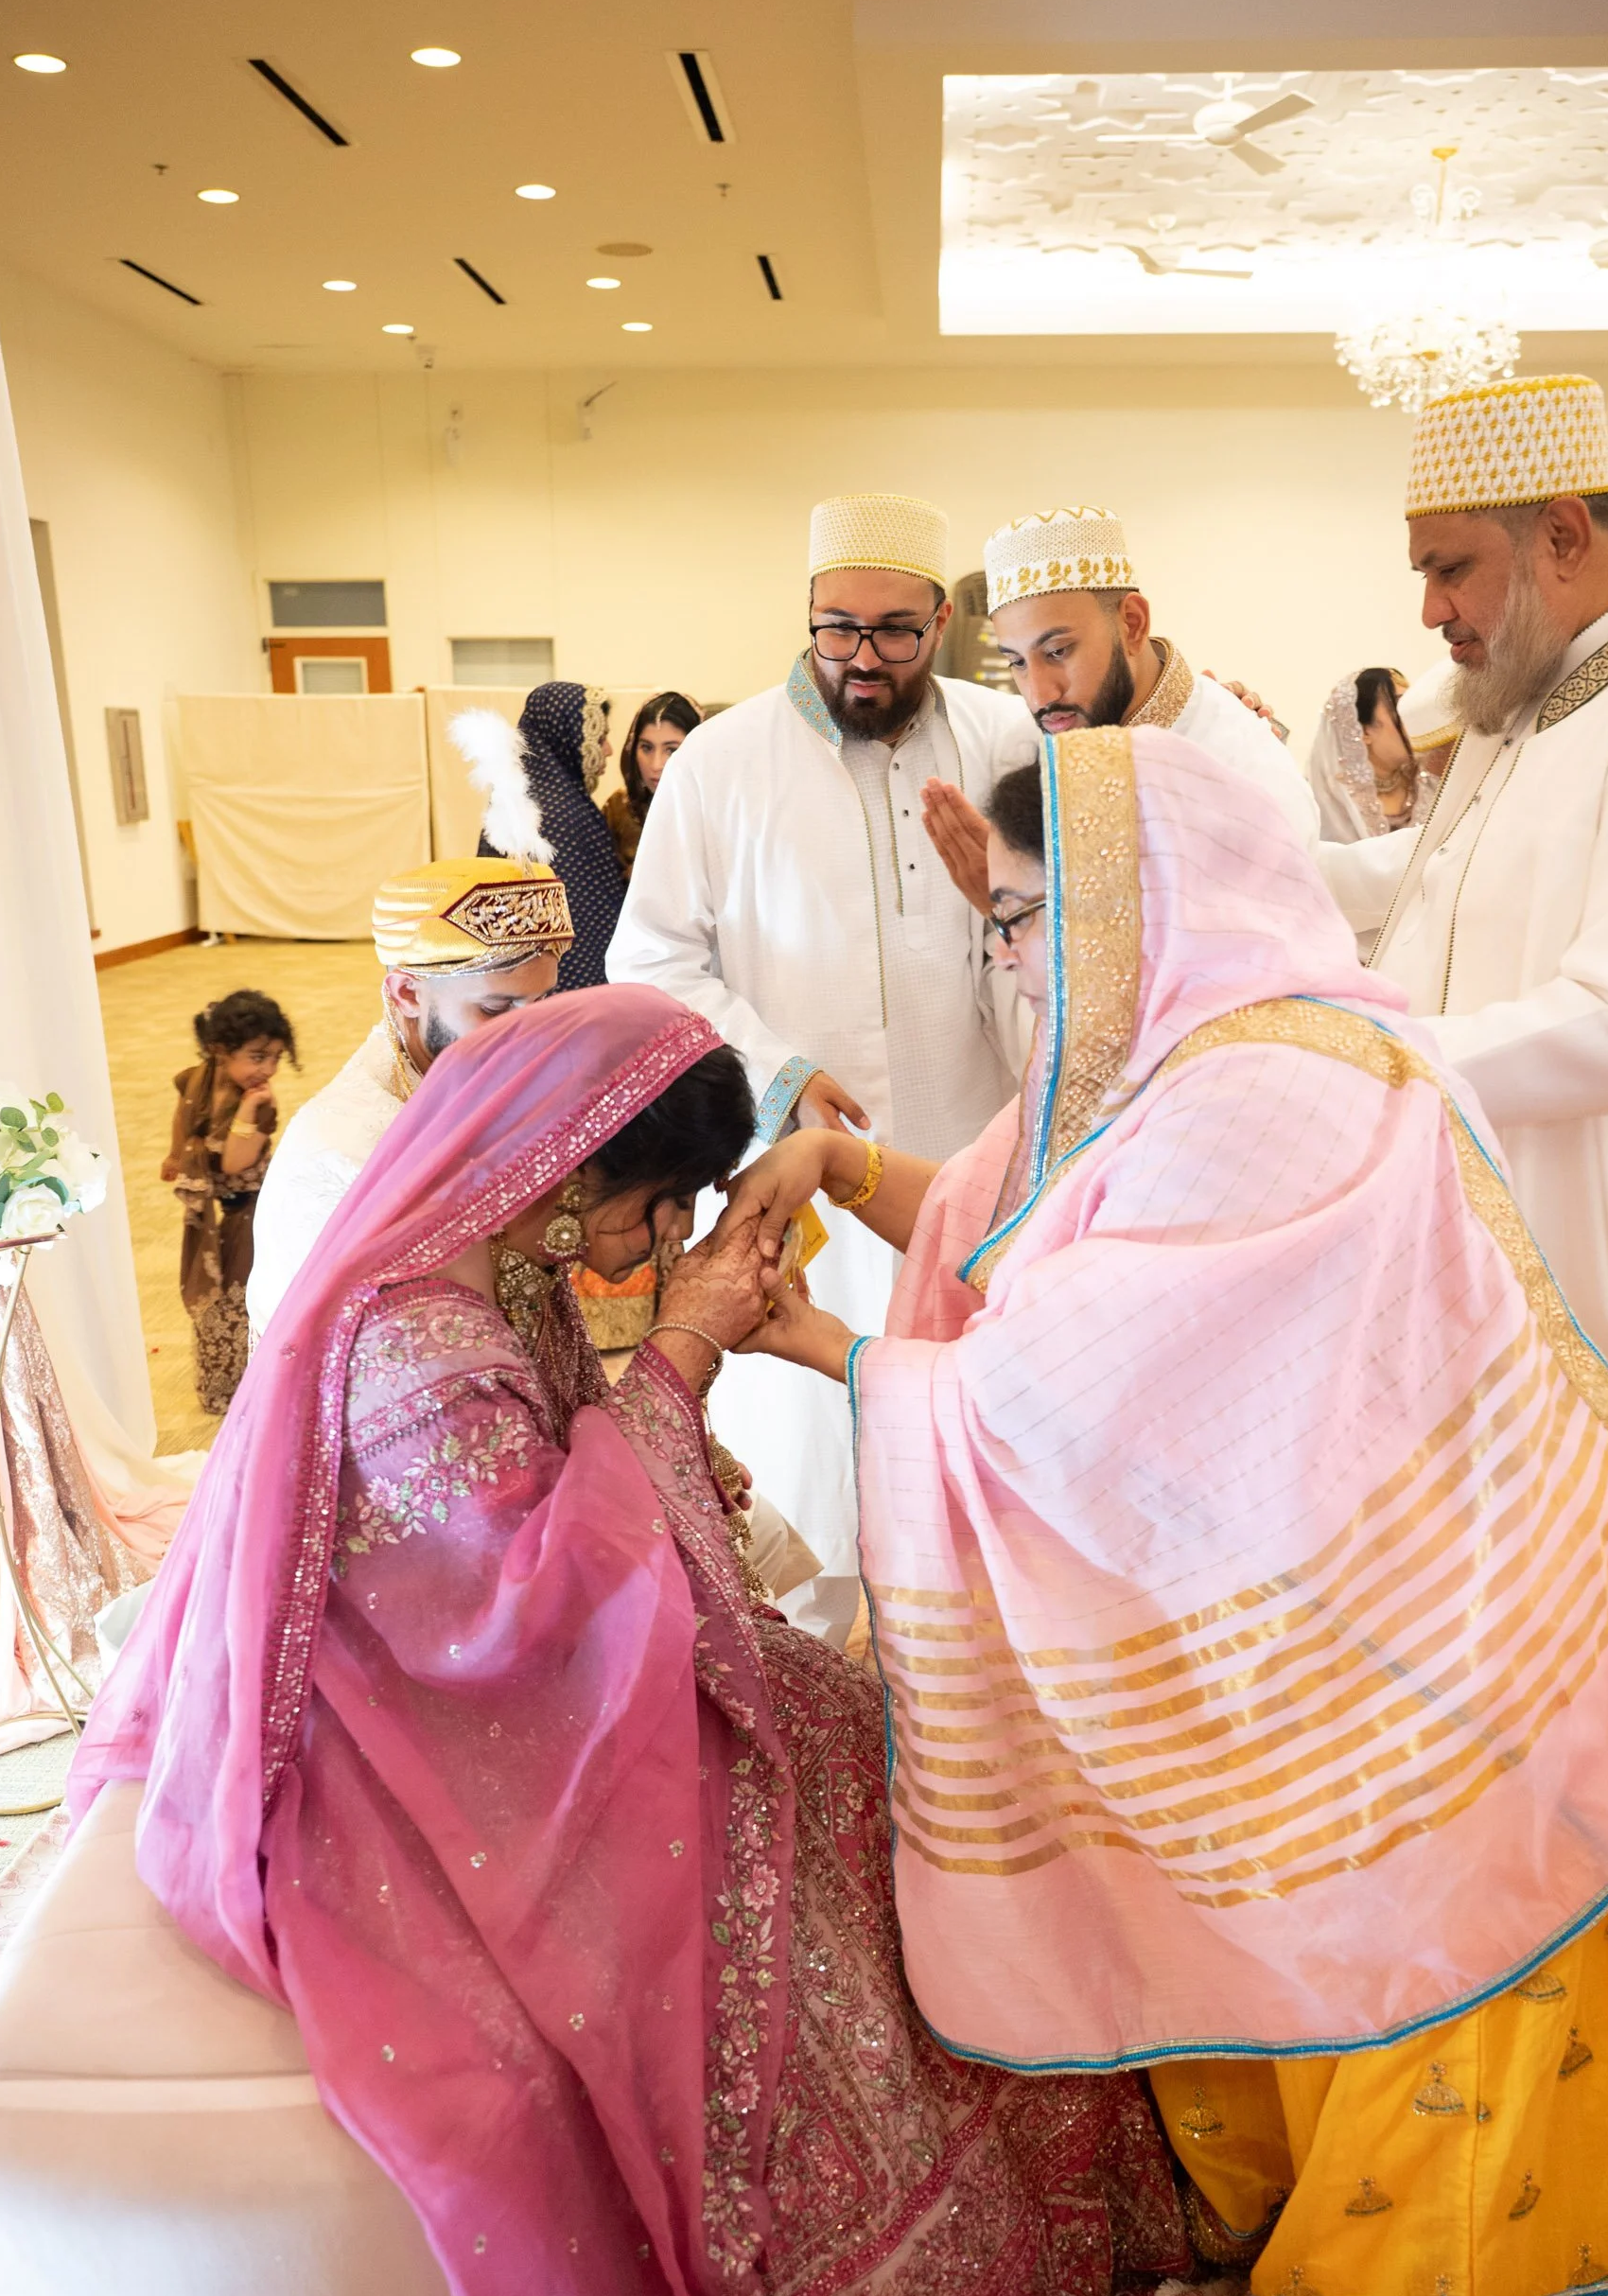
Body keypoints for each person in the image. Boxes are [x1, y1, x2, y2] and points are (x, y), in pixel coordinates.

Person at [67, 987, 1189, 2296]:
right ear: (563, 1162)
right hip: (423, 1747)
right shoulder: (409, 1332)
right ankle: (855, 2294)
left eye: (676, 1216)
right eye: (650, 1206)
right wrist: (674, 1362)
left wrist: (664, 1394)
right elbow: (520, 1607)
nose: (656, 1240)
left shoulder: (489, 1257)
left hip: (511, 1684)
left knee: (857, 1739)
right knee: (802, 1835)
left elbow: (567, 1510)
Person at [725, 725, 1608, 2296]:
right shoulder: (1186, 1055)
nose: (1010, 960)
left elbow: (1076, 1388)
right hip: (1390, 1629)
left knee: (1427, 2019)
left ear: (1142, 904)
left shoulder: (1286, 1088)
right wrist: (836, 1180)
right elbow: (1008, 1213)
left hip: (1472, 1677)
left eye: (1026, 920)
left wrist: (835, 1360)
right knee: (1265, 1925)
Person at [1313, 371, 1608, 1852]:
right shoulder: (1533, 692)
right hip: (1517, 1226)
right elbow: (1424, 887)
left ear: (1562, 532)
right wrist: (1208, 878)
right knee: (1546, 1643)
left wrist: (1369, 1065)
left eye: (1452, 567)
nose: (1434, 612)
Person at [607, 490, 1040, 1641]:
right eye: (834, 627)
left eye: (893, 631)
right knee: (809, 1467)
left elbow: (1060, 936)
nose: (860, 657)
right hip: (790, 1172)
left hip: (963, 1152)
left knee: (969, 1454)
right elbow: (647, 956)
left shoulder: (1005, 746)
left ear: (941, 622)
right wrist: (776, 1070)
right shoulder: (720, 760)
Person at [918, 502, 1317, 908]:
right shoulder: (1025, 746)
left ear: (1132, 624)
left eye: (1057, 651)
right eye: (1017, 662)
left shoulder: (1239, 760)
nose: (1039, 695)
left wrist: (1026, 907)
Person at [246, 855, 570, 1342]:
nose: (527, 1037)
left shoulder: (487, 1076)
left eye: (542, 1003)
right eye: (495, 1008)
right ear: (407, 994)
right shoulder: (347, 1149)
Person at [162, 988, 296, 1412]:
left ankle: (252, 1389)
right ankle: (223, 1388)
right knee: (218, 1295)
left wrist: (248, 1110)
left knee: (241, 1295)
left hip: (256, 1209)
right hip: (227, 1210)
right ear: (221, 1050)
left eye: (275, 1057)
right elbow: (183, 1114)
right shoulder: (196, 1079)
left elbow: (237, 1163)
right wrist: (176, 1151)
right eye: (258, 1057)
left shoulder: (259, 1105)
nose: (268, 1069)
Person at [457, 684, 625, 990]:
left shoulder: (524, 799)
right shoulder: (560, 814)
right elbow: (585, 938)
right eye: (599, 738)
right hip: (566, 999)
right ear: (566, 738)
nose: (609, 749)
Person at [1307, 664, 1442, 846]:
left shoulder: (1430, 785)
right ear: (1363, 731)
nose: (1412, 718)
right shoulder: (1330, 801)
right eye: (1400, 708)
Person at [604, 690, 702, 880]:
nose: (656, 765)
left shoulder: (717, 810)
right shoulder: (619, 809)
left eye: (672, 750)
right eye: (646, 748)